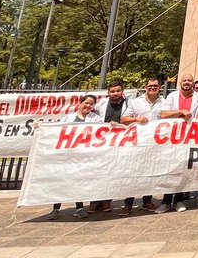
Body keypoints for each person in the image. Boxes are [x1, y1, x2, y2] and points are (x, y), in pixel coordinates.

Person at [156, 74, 198, 212]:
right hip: (172, 138)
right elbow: (163, 114)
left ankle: (178, 200)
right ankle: (166, 201)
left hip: (188, 138)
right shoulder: (171, 97)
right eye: (184, 80)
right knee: (170, 169)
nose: (186, 82)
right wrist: (180, 112)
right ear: (180, 82)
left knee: (183, 169)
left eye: (189, 80)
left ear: (192, 83)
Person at [47, 94, 99, 219]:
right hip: (67, 155)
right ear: (80, 103)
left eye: (91, 104)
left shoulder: (96, 119)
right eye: (86, 103)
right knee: (61, 181)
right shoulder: (68, 117)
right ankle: (56, 208)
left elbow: (100, 132)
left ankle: (79, 207)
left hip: (83, 155)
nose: (88, 106)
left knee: (78, 181)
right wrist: (41, 128)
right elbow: (56, 130)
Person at [119, 78, 166, 213]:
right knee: (134, 172)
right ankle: (128, 203)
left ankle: (147, 201)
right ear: (146, 87)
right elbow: (123, 119)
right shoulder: (136, 102)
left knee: (150, 172)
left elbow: (168, 116)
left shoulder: (164, 102)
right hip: (138, 142)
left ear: (159, 87)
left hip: (155, 143)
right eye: (150, 86)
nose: (152, 88)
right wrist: (136, 119)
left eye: (155, 86)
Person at [90, 81, 130, 213]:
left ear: (122, 91)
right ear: (108, 93)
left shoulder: (129, 104)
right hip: (102, 141)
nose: (115, 93)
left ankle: (107, 200)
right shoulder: (100, 105)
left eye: (118, 91)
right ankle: (94, 201)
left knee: (113, 172)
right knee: (98, 171)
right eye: (112, 91)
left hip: (120, 142)